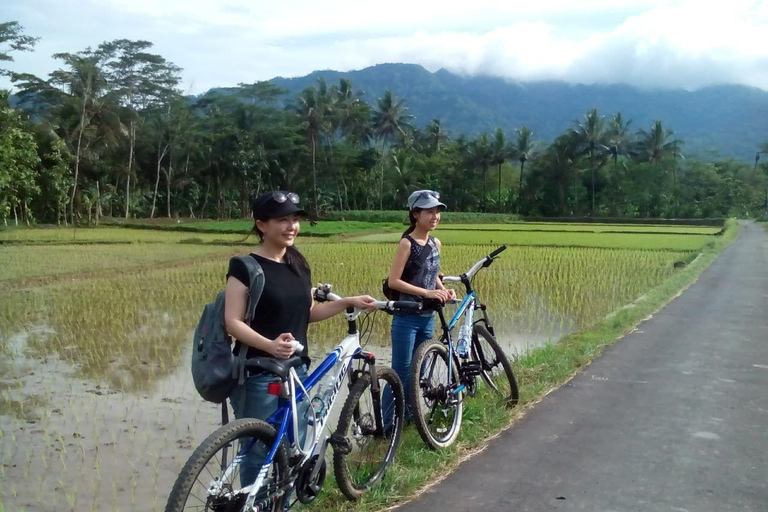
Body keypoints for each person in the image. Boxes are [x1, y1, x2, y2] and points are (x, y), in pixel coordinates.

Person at [223, 190, 374, 488]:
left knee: (293, 448)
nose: (291, 226)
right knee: (258, 453)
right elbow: (232, 322)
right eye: (282, 220)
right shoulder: (245, 267)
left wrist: (347, 301)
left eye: (295, 219)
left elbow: (309, 313)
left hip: (297, 371)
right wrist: (269, 345)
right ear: (261, 224)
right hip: (258, 373)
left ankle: (278, 503)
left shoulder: (298, 265)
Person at [385, 190, 456, 421]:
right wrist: (427, 292)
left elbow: (433, 273)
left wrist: (442, 290)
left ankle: (406, 418)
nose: (435, 216)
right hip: (406, 317)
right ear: (416, 214)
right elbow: (394, 281)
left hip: (428, 316)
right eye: (429, 212)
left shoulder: (436, 243)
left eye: (437, 212)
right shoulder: (407, 243)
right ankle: (388, 424)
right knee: (400, 373)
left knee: (420, 370)